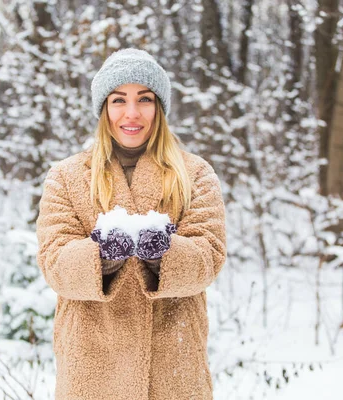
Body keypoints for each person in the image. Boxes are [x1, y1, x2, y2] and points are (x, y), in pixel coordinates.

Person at [36, 48, 227, 400]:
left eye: (145, 99)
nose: (132, 113)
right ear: (104, 109)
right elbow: (54, 262)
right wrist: (102, 256)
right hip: (91, 368)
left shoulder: (195, 174)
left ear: (160, 108)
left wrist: (163, 255)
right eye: (119, 100)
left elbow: (209, 255)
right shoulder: (66, 177)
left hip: (172, 366)